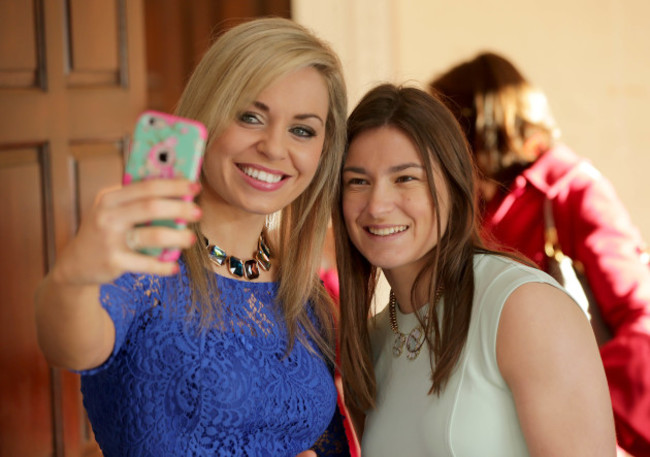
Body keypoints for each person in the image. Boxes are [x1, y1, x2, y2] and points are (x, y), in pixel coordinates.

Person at [34, 17, 351, 457]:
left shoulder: (307, 295)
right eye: (250, 116)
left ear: (323, 149)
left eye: (302, 129)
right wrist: (72, 278)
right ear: (205, 114)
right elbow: (70, 347)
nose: (275, 148)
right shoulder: (146, 261)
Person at [334, 83, 616, 456]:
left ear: (453, 185)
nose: (377, 205)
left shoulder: (522, 307)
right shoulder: (372, 340)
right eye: (358, 181)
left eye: (405, 178)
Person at [430, 51, 650, 456]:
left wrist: (591, 426)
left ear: (475, 126)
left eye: (443, 132)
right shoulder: (476, 208)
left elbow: (641, 320)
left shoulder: (572, 192)